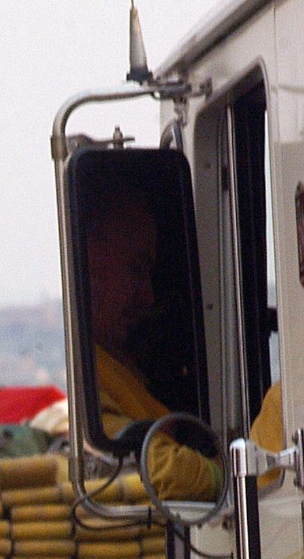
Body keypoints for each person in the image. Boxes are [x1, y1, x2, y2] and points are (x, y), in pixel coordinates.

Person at [84, 181, 222, 501]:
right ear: (89, 256)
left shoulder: (119, 366)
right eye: (136, 269)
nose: (147, 297)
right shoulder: (86, 377)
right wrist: (238, 480)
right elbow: (161, 472)